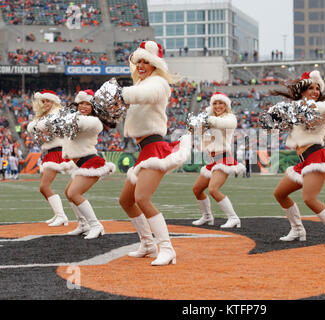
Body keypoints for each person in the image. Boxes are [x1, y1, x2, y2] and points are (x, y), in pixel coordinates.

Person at [118, 40, 191, 266]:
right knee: (126, 200)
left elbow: (141, 95)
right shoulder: (141, 84)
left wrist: (118, 94)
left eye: (146, 61)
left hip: (154, 147)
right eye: (138, 60)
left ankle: (167, 249)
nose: (141, 65)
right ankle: (148, 244)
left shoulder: (158, 83)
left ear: (155, 64)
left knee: (142, 198)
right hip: (144, 149)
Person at [271, 71, 325, 246]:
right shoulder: (295, 111)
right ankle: (298, 229)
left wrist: (314, 107)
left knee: (309, 198)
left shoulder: (321, 110)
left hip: (316, 157)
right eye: (310, 88)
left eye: (317, 88)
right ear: (302, 91)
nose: (315, 91)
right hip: (303, 161)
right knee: (280, 194)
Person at [64, 90, 116, 239]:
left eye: (88, 104)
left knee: (74, 193)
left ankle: (96, 225)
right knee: (69, 193)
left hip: (91, 162)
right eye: (81, 103)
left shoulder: (93, 122)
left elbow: (80, 124)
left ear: (93, 107)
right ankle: (83, 225)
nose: (84, 106)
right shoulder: (74, 120)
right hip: (81, 163)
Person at [191, 92, 245, 228]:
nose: (217, 106)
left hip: (224, 158)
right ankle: (207, 217)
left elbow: (222, 123)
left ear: (226, 105)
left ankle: (233, 218)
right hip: (213, 160)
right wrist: (200, 128)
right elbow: (204, 139)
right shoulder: (210, 119)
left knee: (213, 189)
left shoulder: (230, 118)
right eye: (214, 103)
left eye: (221, 103)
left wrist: (206, 118)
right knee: (197, 189)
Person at [27, 90, 74, 226]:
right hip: (50, 152)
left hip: (58, 152)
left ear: (54, 101)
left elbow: (48, 132)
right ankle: (59, 215)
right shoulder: (45, 116)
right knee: (45, 187)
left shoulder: (57, 114)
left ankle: (61, 216)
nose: (45, 103)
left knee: (45, 186)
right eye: (43, 101)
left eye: (48, 100)